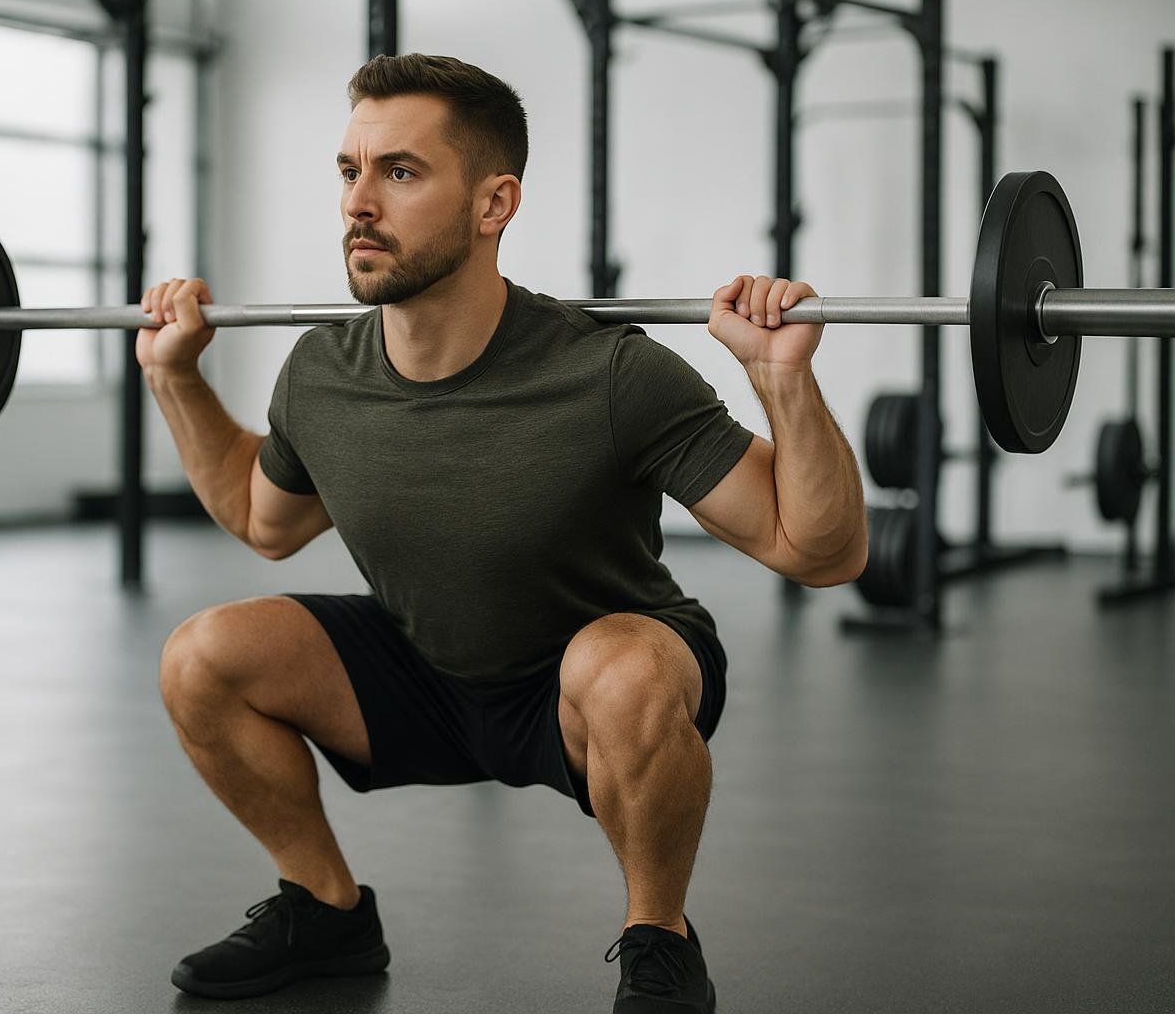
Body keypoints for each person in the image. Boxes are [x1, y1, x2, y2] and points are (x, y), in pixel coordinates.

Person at [138, 53, 866, 1014]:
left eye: (400, 173)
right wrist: (176, 379)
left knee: (626, 670)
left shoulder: (609, 375)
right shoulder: (323, 374)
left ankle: (660, 940)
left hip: (589, 685)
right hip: (421, 669)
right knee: (203, 658)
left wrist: (783, 381)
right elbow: (262, 521)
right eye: (350, 171)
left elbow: (819, 550)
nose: (360, 203)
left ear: (494, 205)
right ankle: (327, 911)